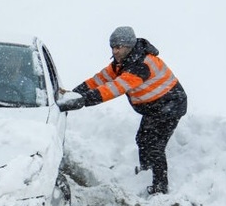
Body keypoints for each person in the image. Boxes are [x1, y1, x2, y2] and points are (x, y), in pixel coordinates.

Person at [59, 26, 186, 195]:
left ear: (129, 46)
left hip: (170, 105)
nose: (115, 51)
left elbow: (115, 87)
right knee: (142, 138)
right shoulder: (122, 63)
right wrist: (75, 93)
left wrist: (83, 100)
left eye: (119, 47)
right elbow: (99, 79)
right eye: (113, 47)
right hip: (155, 107)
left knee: (155, 145)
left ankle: (161, 187)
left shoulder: (141, 65)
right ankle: (145, 170)